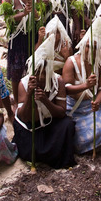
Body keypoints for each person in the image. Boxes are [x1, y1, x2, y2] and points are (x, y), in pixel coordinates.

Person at [12, 34, 76, 169]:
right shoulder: (23, 84)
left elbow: (61, 113)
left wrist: (45, 101)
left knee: (68, 124)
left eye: (44, 73)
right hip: (31, 126)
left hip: (51, 122)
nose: (41, 77)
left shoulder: (58, 81)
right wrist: (30, 95)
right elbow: (23, 117)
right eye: (37, 73)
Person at [62, 17, 101, 154]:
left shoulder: (100, 64)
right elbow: (66, 89)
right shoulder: (71, 62)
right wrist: (85, 85)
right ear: (83, 45)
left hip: (92, 106)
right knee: (81, 139)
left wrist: (97, 101)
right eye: (88, 46)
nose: (90, 50)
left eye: (95, 47)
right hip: (75, 106)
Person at [1, 0, 36, 105]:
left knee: (31, 69)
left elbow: (38, 17)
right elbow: (7, 19)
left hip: (31, 37)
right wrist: (23, 14)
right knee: (16, 71)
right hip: (17, 39)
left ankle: (29, 99)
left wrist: (33, 8)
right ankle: (16, 100)